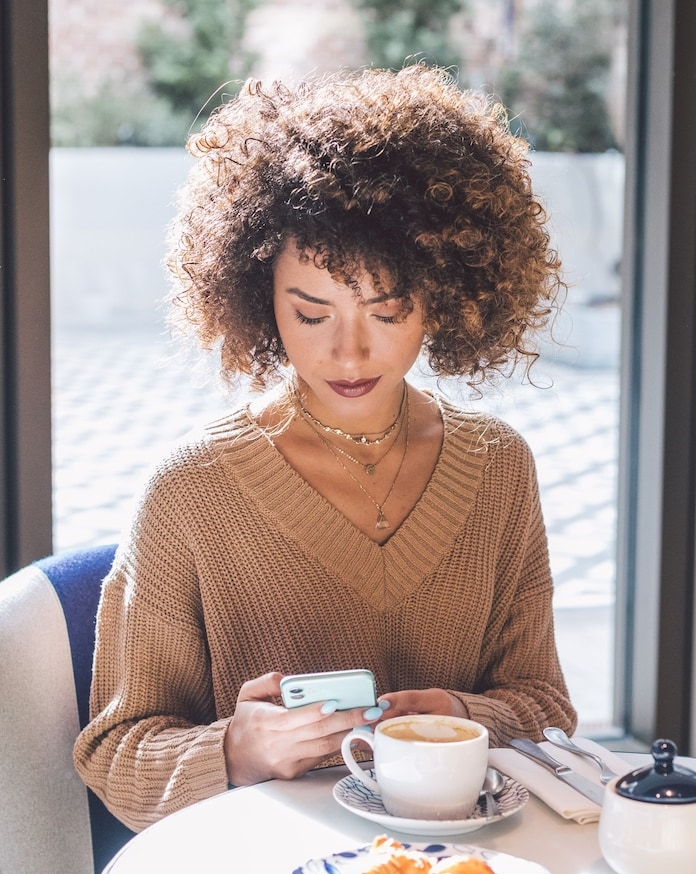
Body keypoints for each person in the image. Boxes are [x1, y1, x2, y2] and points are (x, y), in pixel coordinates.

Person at [73, 64, 577, 832]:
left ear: (442, 298)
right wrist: (234, 751)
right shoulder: (193, 490)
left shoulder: (498, 467)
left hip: (474, 873)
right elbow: (116, 751)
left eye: (388, 310)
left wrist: (457, 713)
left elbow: (544, 708)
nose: (350, 353)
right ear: (257, 298)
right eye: (312, 314)